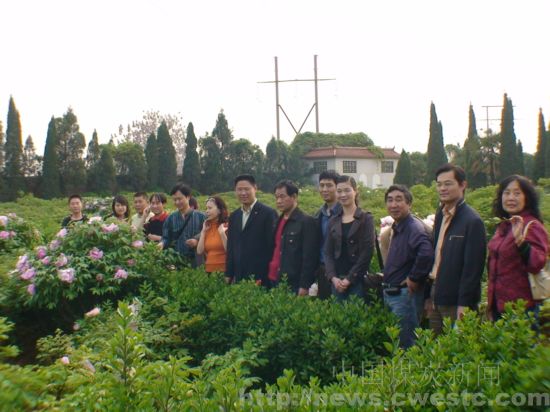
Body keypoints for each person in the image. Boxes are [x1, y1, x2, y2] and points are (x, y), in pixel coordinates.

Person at [426, 164, 486, 335]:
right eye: (439, 184)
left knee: (457, 346)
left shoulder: (472, 221)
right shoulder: (441, 214)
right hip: (436, 292)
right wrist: (428, 296)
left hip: (456, 300)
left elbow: (473, 269)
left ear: (463, 185)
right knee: (435, 345)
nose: (442, 188)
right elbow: (436, 256)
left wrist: (464, 304)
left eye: (448, 184)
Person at [487, 175, 548, 321]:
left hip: (523, 310)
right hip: (499, 307)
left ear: (527, 198)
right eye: (506, 193)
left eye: (517, 193)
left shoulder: (532, 226)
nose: (511, 198)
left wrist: (521, 241)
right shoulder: (504, 225)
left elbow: (537, 263)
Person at [382, 185, 434, 348]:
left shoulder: (413, 227)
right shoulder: (398, 226)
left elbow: (426, 254)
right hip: (394, 293)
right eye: (390, 200)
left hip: (405, 295)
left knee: (406, 343)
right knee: (397, 341)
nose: (394, 205)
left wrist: (414, 278)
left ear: (409, 204)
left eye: (399, 200)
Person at [324, 175, 375, 301]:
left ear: (355, 191)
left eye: (347, 190)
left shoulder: (366, 219)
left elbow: (367, 252)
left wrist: (349, 279)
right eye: (339, 191)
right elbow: (328, 252)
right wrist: (333, 277)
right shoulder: (333, 221)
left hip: (358, 281)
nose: (343, 195)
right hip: (337, 281)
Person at [267, 180, 319, 295]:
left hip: (292, 283)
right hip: (273, 278)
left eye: (282, 197)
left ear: (294, 197)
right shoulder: (278, 220)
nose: (278, 201)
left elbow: (310, 258)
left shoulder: (306, 221)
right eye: (276, 197)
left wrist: (304, 285)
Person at [225, 174, 278, 285]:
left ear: (255, 188)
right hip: (239, 275)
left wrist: (266, 276)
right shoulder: (234, 216)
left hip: (261, 277)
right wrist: (229, 273)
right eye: (239, 190)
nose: (243, 193)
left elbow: (273, 247)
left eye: (246, 189)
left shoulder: (268, 213)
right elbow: (231, 247)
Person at [160, 183, 205, 265]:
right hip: (176, 262)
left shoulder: (201, 217)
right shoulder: (170, 218)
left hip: (196, 262)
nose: (177, 202)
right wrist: (162, 244)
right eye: (174, 200)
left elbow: (209, 235)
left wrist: (197, 241)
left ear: (188, 197)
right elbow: (166, 237)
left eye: (179, 199)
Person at [314, 170, 341, 299]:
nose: (325, 189)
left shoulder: (346, 213)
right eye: (322, 185)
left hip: (341, 272)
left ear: (337, 187)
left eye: (329, 185)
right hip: (323, 270)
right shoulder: (319, 214)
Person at [197, 196, 229, 273]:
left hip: (225, 270)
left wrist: (222, 233)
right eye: (206, 208)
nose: (207, 211)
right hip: (209, 270)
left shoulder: (227, 226)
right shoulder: (207, 227)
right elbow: (199, 251)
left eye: (210, 208)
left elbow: (230, 250)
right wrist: (203, 232)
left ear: (219, 210)